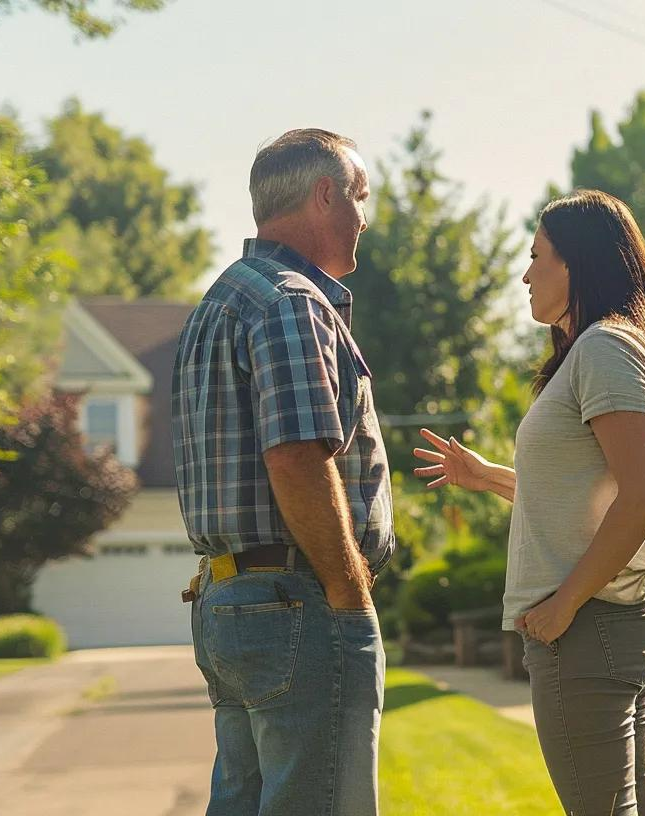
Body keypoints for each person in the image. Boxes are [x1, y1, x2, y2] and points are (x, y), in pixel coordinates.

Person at [413, 189, 645, 815]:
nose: (527, 273)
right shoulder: (604, 349)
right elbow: (594, 496)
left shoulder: (603, 349)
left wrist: (565, 603)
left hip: (590, 628)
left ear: (578, 264)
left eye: (538, 256)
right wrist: (493, 479)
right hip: (615, 626)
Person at [171, 128, 394, 816]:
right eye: (359, 196)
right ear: (324, 195)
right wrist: (349, 589)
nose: (366, 215)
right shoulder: (292, 301)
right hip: (298, 599)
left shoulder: (221, 300)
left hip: (229, 600)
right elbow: (297, 456)